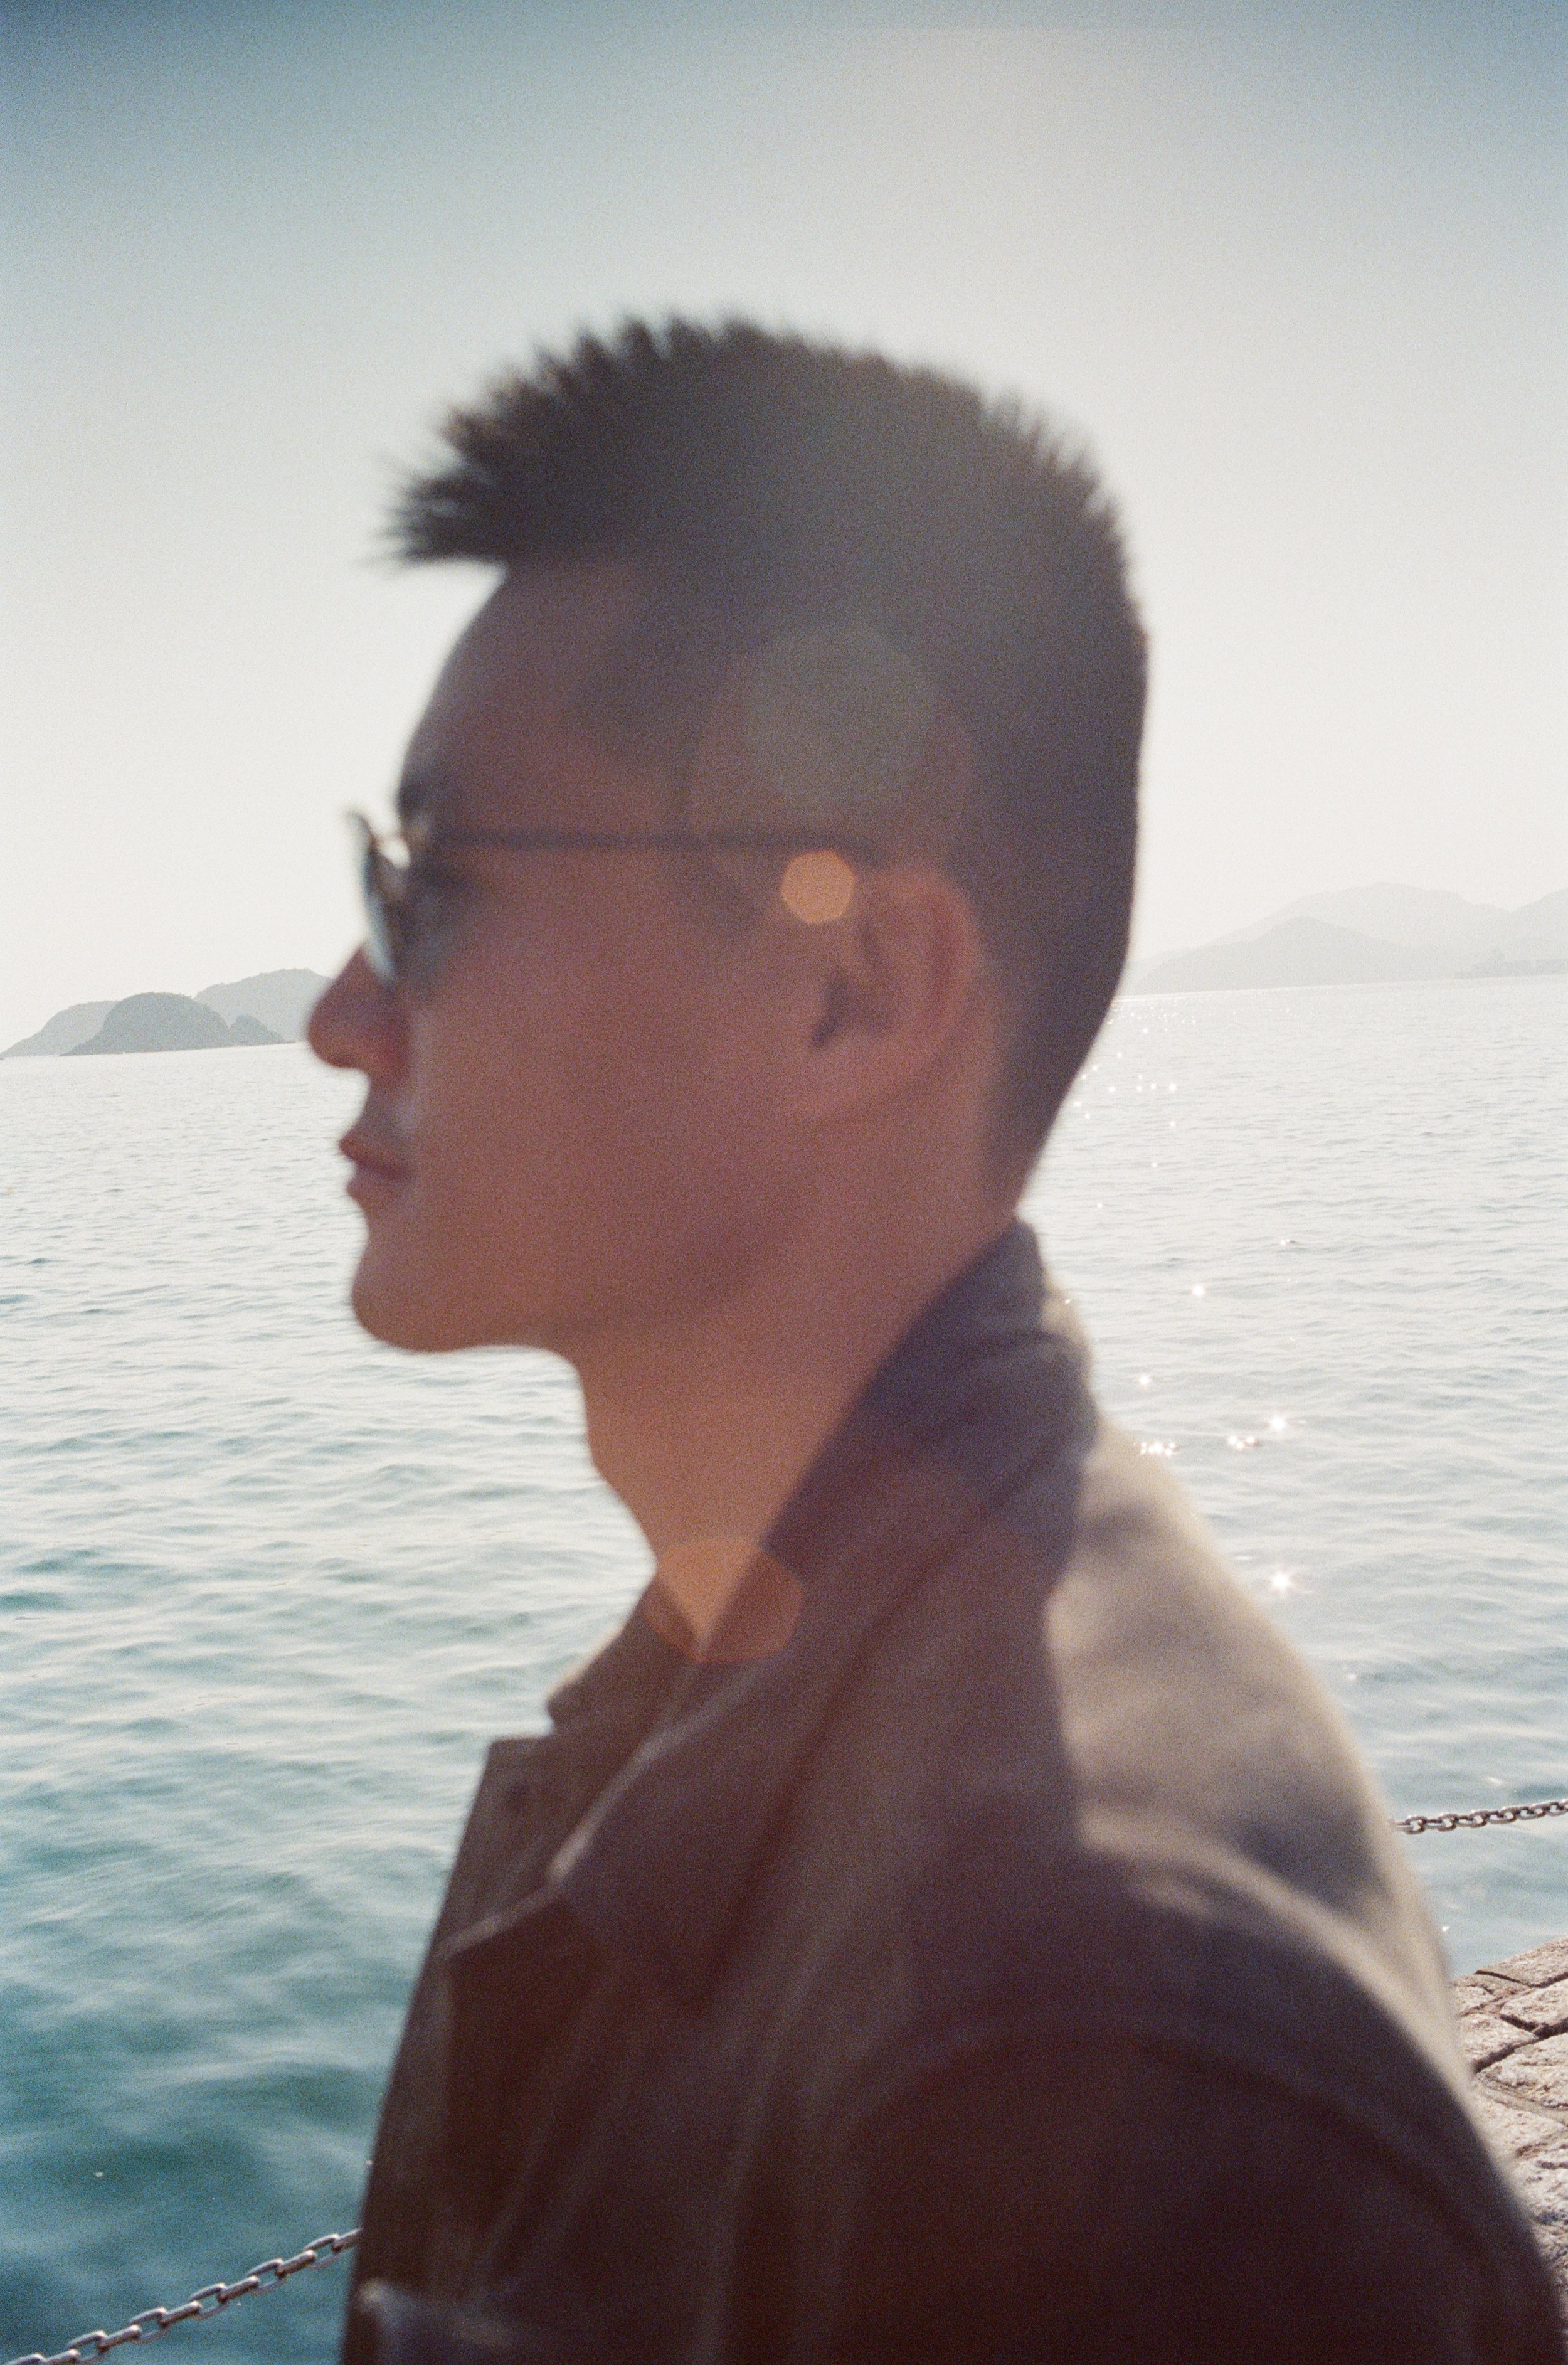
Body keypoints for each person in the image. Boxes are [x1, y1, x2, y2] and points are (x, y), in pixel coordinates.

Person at [308, 319, 1560, 2364]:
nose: (341, 1013)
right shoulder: (781, 1695)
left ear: (851, 993)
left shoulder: (1085, 2064)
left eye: (436, 878)